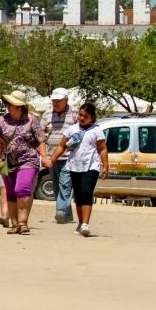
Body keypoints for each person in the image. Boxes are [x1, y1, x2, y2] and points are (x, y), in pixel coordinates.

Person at [0, 90, 43, 234]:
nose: (7, 105)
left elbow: (40, 140)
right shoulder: (2, 120)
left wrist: (44, 156)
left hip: (28, 160)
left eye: (10, 103)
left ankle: (23, 222)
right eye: (7, 103)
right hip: (7, 162)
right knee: (10, 192)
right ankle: (15, 225)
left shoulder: (31, 120)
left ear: (19, 106)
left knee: (22, 188)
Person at [60, 102, 109, 237]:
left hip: (91, 166)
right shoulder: (72, 129)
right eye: (80, 115)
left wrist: (105, 165)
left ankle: (86, 224)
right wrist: (52, 159)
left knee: (87, 192)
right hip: (74, 165)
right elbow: (62, 146)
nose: (82, 118)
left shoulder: (96, 131)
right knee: (79, 195)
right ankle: (81, 223)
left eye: (85, 116)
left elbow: (102, 149)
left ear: (92, 117)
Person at [41, 87, 74, 225]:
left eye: (59, 101)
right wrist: (43, 155)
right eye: (54, 101)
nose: (56, 103)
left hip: (70, 156)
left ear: (66, 100)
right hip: (51, 156)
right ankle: (67, 215)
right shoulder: (46, 115)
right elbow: (41, 136)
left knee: (65, 184)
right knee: (57, 186)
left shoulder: (76, 113)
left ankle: (60, 211)